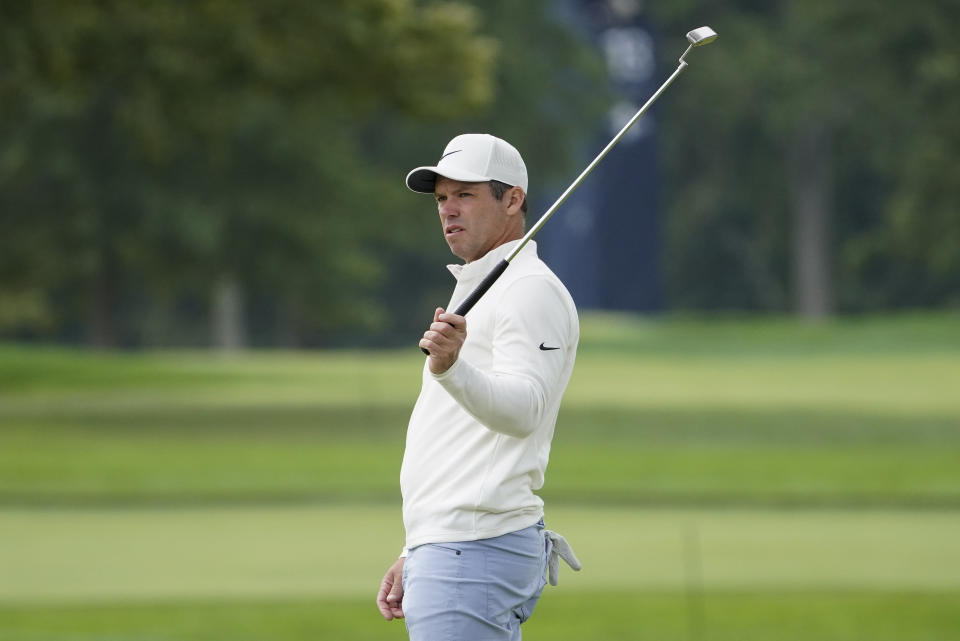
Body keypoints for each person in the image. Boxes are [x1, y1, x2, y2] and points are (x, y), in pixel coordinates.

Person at [376, 133, 581, 640]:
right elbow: (457, 440)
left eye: (465, 195)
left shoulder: (529, 290)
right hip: (454, 548)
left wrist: (451, 367)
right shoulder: (482, 283)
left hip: (476, 551)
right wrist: (418, 545)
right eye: (442, 198)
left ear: (512, 199)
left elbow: (524, 410)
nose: (448, 210)